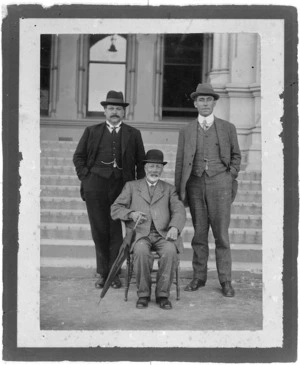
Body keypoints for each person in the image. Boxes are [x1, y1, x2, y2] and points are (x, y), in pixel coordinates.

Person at [73, 90, 145, 290]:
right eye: (111, 108)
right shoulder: (92, 131)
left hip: (122, 188)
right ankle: (103, 273)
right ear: (104, 111)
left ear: (124, 112)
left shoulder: (133, 134)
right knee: (99, 230)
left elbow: (141, 162)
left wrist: (137, 189)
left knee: (116, 232)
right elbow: (78, 157)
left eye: (119, 109)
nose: (115, 112)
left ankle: (114, 274)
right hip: (95, 186)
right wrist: (86, 177)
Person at [175, 83, 241, 297]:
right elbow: (180, 162)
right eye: (201, 100)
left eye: (208, 100)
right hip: (194, 184)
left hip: (220, 183)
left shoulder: (227, 127)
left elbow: (236, 156)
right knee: (199, 234)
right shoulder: (186, 130)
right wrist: (180, 189)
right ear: (195, 103)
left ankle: (225, 280)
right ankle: (199, 277)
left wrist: (229, 175)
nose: (205, 103)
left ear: (214, 103)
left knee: (221, 235)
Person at [111, 149, 186, 310]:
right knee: (141, 252)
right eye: (151, 166)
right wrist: (131, 214)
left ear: (162, 169)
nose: (155, 170)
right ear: (145, 168)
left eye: (158, 167)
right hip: (140, 235)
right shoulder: (131, 186)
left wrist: (174, 226)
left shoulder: (169, 189)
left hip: (163, 234)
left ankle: (162, 295)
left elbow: (179, 210)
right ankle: (143, 294)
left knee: (170, 252)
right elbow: (115, 208)